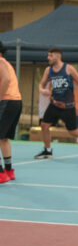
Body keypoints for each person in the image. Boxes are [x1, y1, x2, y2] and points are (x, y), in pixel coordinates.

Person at [34, 48, 78, 159]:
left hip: (68, 106)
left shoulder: (68, 68)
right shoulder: (48, 70)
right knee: (44, 125)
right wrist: (42, 90)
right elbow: (41, 84)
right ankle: (48, 151)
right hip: (54, 104)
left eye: (50, 56)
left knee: (72, 131)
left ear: (58, 56)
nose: (48, 58)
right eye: (48, 56)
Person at [0, 42, 23, 183]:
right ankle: (8, 171)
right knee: (3, 138)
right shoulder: (6, 63)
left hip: (7, 101)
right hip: (16, 102)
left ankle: (1, 174)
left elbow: (6, 80)